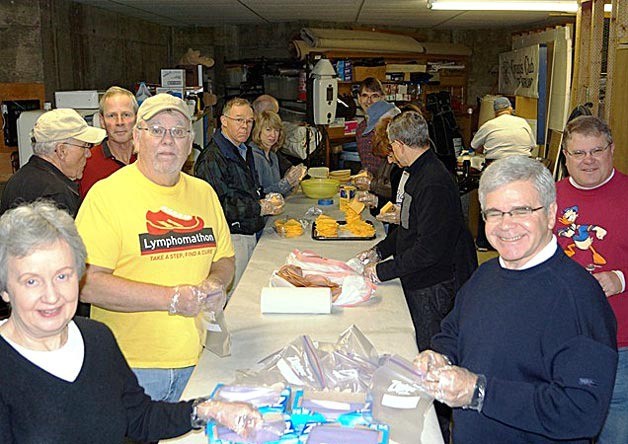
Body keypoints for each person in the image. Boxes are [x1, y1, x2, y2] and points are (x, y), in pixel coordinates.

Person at [0, 202, 261, 443]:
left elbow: (140, 417)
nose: (52, 295)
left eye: (62, 276)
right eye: (31, 281)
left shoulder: (96, 338)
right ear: (5, 289)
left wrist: (209, 409)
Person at [414, 156, 618, 443]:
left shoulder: (578, 298)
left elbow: (581, 411)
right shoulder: (485, 276)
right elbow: (453, 333)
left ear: (550, 214)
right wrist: (440, 357)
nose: (506, 225)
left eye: (521, 210)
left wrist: (479, 392)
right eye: (494, 213)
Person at [76, 94, 235, 403]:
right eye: (156, 130)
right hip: (133, 368)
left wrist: (216, 282)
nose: (168, 140)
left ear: (190, 142)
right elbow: (86, 283)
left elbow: (225, 257)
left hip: (199, 359)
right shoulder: (107, 196)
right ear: (137, 137)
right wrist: (170, 299)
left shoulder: (203, 193)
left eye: (178, 131)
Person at [555, 116, 628, 443]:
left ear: (611, 150)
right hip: (558, 339)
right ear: (565, 157)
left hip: (619, 343)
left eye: (596, 150)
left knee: (615, 427)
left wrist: (621, 278)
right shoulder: (547, 198)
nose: (588, 160)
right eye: (578, 153)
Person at [195, 98, 282, 295]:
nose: (245, 126)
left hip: (248, 232)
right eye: (239, 120)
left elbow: (248, 190)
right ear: (223, 121)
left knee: (246, 293)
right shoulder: (212, 159)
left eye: (249, 121)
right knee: (232, 299)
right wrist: (258, 207)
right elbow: (216, 207)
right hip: (230, 240)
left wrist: (265, 199)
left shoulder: (245, 150)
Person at [0, 108, 105, 218]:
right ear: (61, 151)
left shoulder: (19, 178)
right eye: (85, 146)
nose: (88, 154)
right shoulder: (56, 194)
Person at [79, 86, 138, 198]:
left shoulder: (149, 157)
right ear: (102, 121)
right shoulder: (86, 163)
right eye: (112, 116)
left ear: (136, 118)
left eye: (126, 115)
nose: (119, 122)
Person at [250, 110, 302, 195]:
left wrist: (292, 184)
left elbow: (278, 192)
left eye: (276, 130)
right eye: (268, 130)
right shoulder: (254, 156)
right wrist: (286, 182)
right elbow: (260, 193)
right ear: (258, 131)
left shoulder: (273, 156)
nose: (273, 135)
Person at [470, 96, 536, 160]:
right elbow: (532, 146)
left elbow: (474, 145)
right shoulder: (523, 122)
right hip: (522, 163)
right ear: (510, 108)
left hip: (496, 164)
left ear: (495, 112)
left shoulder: (488, 125)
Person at [355, 77, 385, 175]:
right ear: (359, 99)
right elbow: (367, 165)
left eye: (374, 96)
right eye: (365, 96)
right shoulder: (360, 129)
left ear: (382, 98)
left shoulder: (390, 126)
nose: (369, 101)